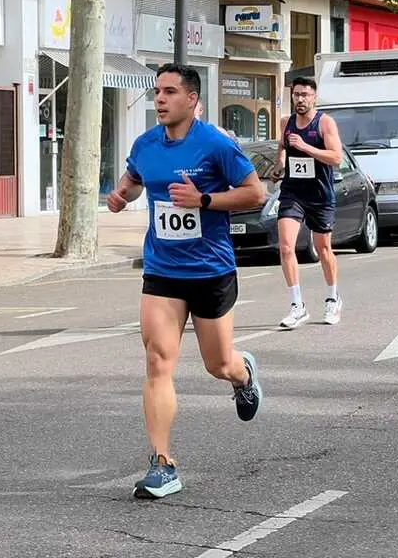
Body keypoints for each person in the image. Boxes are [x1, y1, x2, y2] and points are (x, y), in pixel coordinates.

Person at [107, 63, 267, 499]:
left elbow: (256, 193)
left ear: (191, 99)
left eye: (170, 92)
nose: (160, 99)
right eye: (157, 91)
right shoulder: (146, 144)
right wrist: (122, 195)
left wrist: (205, 199)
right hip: (162, 269)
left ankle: (242, 374)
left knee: (218, 364)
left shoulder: (215, 144)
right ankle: (162, 463)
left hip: (211, 270)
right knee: (158, 360)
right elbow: (136, 178)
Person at [271, 76, 344, 329]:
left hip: (320, 195)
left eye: (305, 95)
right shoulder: (286, 122)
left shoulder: (324, 123)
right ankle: (297, 305)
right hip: (293, 193)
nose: (300, 99)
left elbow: (336, 158)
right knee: (286, 247)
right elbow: (281, 147)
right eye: (297, 95)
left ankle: (333, 298)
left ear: (314, 97)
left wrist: (306, 147)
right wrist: (280, 164)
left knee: (323, 249)